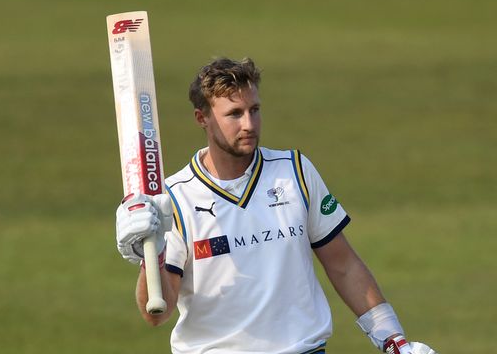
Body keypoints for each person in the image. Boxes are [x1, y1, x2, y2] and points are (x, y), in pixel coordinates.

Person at [115, 58, 436, 354]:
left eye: (254, 110)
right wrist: (152, 258)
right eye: (234, 114)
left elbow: (344, 265)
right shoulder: (171, 200)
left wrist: (393, 340)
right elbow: (156, 313)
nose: (249, 124)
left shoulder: (294, 171)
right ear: (203, 119)